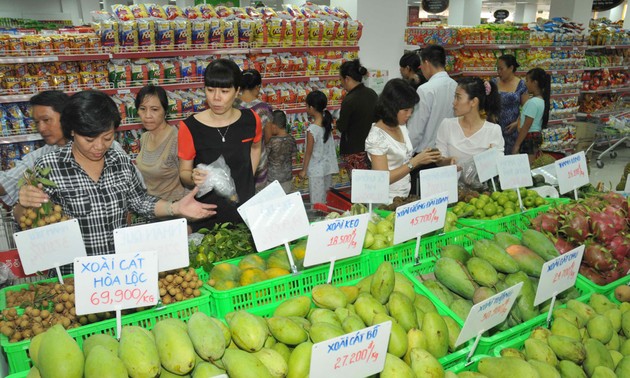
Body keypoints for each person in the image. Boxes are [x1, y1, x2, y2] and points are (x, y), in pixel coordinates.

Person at [14, 90, 216, 273]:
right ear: (72, 131)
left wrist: (176, 207)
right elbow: (28, 220)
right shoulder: (50, 167)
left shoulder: (118, 160)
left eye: (107, 137)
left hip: (119, 273)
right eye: (89, 140)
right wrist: (23, 204)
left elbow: (139, 201)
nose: (99, 147)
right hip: (75, 276)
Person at [0, 90, 139, 207]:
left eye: (46, 120)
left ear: (67, 117)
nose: (41, 128)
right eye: (37, 122)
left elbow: (135, 192)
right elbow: (7, 183)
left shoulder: (105, 147)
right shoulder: (42, 157)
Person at [178, 59, 262, 230]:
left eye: (224, 91)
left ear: (237, 91)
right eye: (210, 90)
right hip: (207, 214)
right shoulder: (190, 127)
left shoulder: (251, 120)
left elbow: (255, 147)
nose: (216, 98)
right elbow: (183, 172)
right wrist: (193, 177)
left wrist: (247, 177)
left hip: (246, 212)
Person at [365, 79, 442, 203]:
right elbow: (383, 179)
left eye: (411, 110)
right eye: (406, 110)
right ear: (392, 107)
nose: (409, 114)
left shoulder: (401, 126)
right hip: (386, 201)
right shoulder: (377, 136)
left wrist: (427, 157)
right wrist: (415, 162)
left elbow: (404, 161)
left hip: (404, 196)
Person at [406, 45, 458, 194]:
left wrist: (407, 157)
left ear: (427, 63)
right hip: (446, 155)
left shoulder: (426, 89)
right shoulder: (455, 86)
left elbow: (416, 130)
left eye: (421, 65)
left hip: (425, 157)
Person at [435, 77, 504, 167]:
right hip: (451, 180)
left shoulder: (493, 130)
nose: (454, 102)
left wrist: (491, 158)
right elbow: (439, 160)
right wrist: (448, 161)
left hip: (479, 181)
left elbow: (499, 164)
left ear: (474, 102)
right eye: (454, 97)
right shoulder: (447, 125)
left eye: (458, 97)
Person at [135, 85, 187, 202]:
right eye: (142, 109)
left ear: (165, 111)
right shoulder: (145, 137)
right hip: (151, 210)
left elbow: (188, 181)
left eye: (154, 109)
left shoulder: (176, 140)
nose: (147, 115)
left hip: (174, 212)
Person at [336, 59, 378, 177]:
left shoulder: (349, 100)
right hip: (371, 148)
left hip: (354, 150)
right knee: (370, 182)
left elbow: (342, 126)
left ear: (347, 79)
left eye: (341, 79)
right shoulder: (372, 94)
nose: (341, 83)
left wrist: (337, 123)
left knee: (358, 185)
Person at [235, 69, 273, 192]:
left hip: (236, 157)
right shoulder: (263, 108)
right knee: (258, 198)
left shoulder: (231, 105)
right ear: (257, 87)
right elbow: (268, 136)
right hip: (259, 159)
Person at [298, 90, 339, 204]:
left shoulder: (312, 130)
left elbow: (308, 152)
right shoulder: (327, 124)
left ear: (311, 107)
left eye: (306, 105)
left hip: (316, 171)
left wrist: (303, 170)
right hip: (327, 168)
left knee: (317, 202)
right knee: (325, 200)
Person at [492, 54, 528, 155]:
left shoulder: (521, 85)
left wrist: (518, 122)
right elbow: (488, 103)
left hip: (512, 130)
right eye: (497, 69)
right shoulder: (494, 83)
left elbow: (526, 108)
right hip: (495, 128)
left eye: (501, 69)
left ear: (511, 68)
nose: (498, 72)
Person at [513, 67, 550, 162]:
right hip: (534, 137)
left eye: (527, 80)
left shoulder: (532, 103)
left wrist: (516, 145)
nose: (526, 83)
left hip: (528, 139)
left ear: (535, 83)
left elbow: (526, 126)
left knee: (525, 167)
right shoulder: (541, 100)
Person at [266, 110, 297, 193]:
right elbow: (294, 154)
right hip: (287, 178)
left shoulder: (272, 141)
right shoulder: (291, 139)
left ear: (274, 126)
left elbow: (265, 157)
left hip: (272, 179)